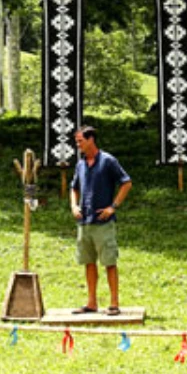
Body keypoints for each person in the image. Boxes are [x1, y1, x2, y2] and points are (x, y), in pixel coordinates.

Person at [70, 125, 132, 316]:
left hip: (103, 223)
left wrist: (113, 206)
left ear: (91, 140)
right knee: (88, 262)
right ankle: (91, 303)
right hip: (84, 222)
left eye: (80, 141)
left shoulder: (108, 161)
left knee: (109, 262)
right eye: (77, 142)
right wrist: (74, 206)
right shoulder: (80, 164)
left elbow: (126, 183)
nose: (78, 145)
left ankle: (114, 303)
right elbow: (74, 187)